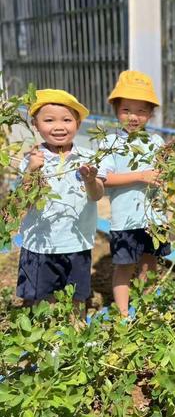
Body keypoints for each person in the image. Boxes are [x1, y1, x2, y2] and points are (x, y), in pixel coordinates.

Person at [16, 89, 105, 308]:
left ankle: (77, 337)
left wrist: (91, 180)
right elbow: (23, 200)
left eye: (67, 120)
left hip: (76, 241)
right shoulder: (32, 159)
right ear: (36, 124)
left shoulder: (87, 157)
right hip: (39, 243)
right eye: (49, 120)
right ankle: (35, 338)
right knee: (35, 298)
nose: (58, 126)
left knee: (77, 297)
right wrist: (31, 171)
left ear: (78, 123)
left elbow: (97, 195)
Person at [100, 70, 171, 317]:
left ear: (151, 114)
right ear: (116, 111)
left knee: (150, 262)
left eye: (141, 111)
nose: (134, 117)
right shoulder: (110, 142)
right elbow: (105, 178)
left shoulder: (157, 142)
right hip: (126, 218)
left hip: (154, 218)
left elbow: (163, 177)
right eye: (127, 110)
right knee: (124, 265)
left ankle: (146, 306)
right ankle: (122, 313)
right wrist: (140, 175)